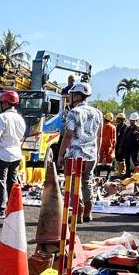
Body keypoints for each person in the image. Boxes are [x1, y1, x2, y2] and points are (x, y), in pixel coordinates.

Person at [55, 77, 102, 223]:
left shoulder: (73, 113)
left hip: (76, 155)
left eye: (71, 95)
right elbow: (99, 135)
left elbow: (68, 135)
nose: (69, 98)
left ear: (77, 96)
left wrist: (60, 154)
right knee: (87, 182)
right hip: (91, 155)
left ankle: (78, 212)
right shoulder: (97, 113)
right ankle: (88, 212)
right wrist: (98, 152)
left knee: (75, 183)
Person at [0, 89, 25, 218]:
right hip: (16, 154)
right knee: (12, 182)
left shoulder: (1, 117)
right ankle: (12, 208)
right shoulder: (20, 119)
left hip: (2, 154)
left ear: (5, 103)